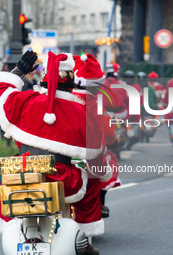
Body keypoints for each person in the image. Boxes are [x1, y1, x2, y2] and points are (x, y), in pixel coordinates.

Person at [0, 51, 103, 254]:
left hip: (21, 170)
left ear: (44, 82)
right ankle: (85, 236)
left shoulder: (27, 100)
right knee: (92, 182)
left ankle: (10, 225)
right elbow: (95, 149)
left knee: (5, 183)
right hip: (61, 176)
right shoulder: (79, 111)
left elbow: (1, 94)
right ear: (72, 84)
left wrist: (18, 71)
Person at [72, 54, 119, 219]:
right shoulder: (96, 107)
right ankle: (100, 203)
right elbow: (110, 134)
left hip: (61, 154)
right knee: (109, 162)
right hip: (89, 157)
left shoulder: (63, 101)